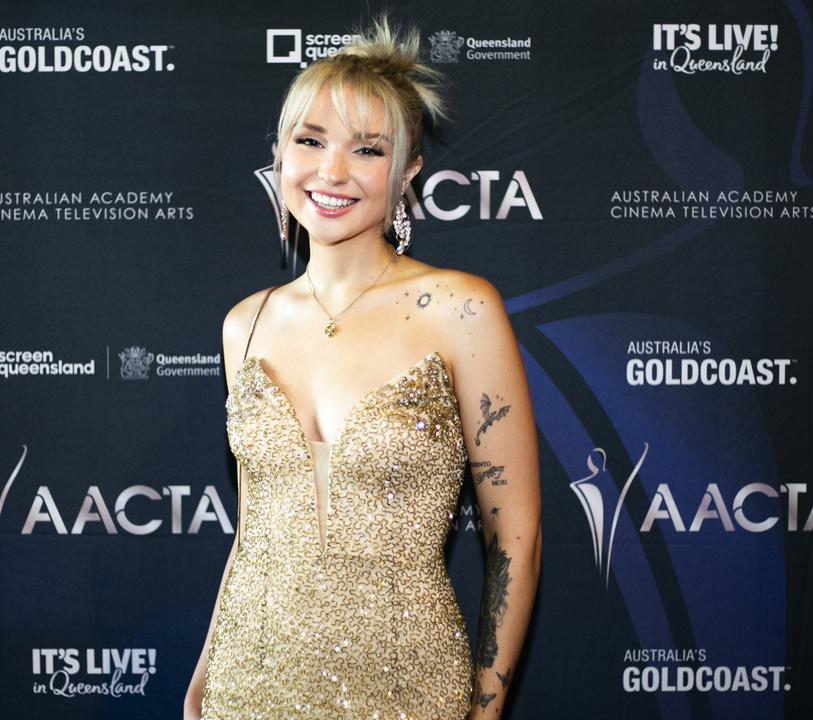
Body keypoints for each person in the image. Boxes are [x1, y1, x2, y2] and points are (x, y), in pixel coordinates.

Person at [185, 16, 541, 720]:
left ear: (408, 169)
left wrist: (487, 706)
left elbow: (516, 536)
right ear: (280, 155)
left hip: (408, 690)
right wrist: (202, 684)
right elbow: (255, 531)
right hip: (245, 687)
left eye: (368, 150)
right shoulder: (244, 323)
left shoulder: (459, 309)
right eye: (309, 141)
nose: (332, 171)